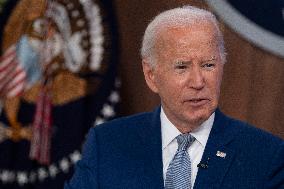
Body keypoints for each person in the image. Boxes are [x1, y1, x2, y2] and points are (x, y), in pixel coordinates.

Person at [64, 6, 284, 189]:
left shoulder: (266, 156)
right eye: (181, 67)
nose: (198, 82)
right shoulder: (107, 145)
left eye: (208, 65)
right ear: (151, 75)